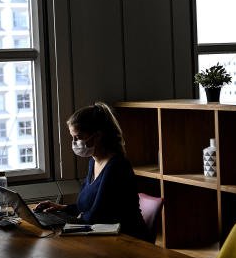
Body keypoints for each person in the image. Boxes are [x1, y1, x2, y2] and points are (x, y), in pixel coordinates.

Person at [35, 102, 150, 241]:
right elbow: (86, 206)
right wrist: (62, 208)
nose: (74, 142)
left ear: (97, 136)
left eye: (78, 137)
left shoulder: (117, 166)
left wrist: (71, 219)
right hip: (102, 235)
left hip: (126, 239)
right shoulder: (93, 162)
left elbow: (99, 214)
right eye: (73, 137)